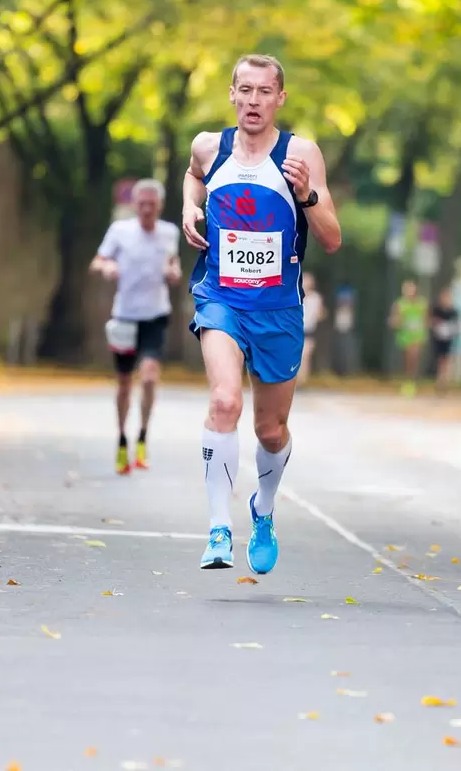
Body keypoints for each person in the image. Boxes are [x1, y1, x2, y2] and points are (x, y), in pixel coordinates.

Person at [182, 54, 341, 573]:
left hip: (279, 310)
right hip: (221, 298)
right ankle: (218, 530)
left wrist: (307, 195)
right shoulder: (209, 147)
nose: (253, 101)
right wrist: (189, 206)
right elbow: (192, 174)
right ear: (231, 94)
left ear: (280, 99)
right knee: (224, 401)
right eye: (244, 90)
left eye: (263, 92)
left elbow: (332, 238)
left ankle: (264, 511)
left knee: (270, 432)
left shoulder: (301, 153)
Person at [90, 179, 181, 475]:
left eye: (151, 205)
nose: (145, 210)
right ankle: (121, 439)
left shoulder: (169, 233)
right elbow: (98, 260)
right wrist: (107, 268)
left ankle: (142, 436)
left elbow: (173, 264)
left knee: (151, 377)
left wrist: (174, 272)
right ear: (134, 204)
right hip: (126, 316)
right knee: (125, 382)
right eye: (141, 204)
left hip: (155, 314)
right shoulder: (120, 231)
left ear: (159, 206)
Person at [389, 279, 427, 396]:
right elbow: (394, 320)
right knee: (407, 359)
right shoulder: (400, 304)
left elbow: (426, 319)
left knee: (414, 355)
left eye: (411, 288)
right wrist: (396, 322)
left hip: (417, 335)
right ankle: (408, 380)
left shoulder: (422, 303)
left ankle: (412, 381)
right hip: (405, 335)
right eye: (406, 289)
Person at [429, 287, 460, 392]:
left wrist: (453, 330)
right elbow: (431, 322)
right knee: (439, 359)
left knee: (446, 359)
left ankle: (445, 380)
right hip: (438, 338)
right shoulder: (436, 310)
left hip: (448, 338)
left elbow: (457, 325)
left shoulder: (453, 312)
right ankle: (439, 380)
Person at [299, 271, 326, 386]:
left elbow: (322, 314)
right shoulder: (296, 295)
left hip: (308, 331)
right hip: (295, 330)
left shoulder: (316, 298)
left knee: (305, 356)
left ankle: (301, 381)